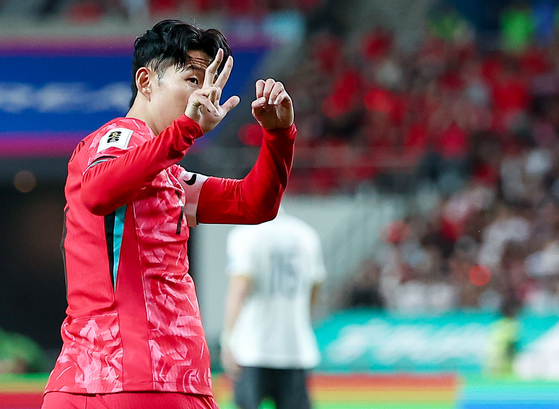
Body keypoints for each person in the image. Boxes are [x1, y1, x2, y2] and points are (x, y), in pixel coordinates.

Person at [42, 19, 296, 409]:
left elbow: (252, 203)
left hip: (109, 381)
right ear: (146, 81)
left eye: (209, 81)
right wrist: (186, 129)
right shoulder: (122, 137)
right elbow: (97, 191)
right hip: (138, 381)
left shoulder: (166, 172)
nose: (205, 92)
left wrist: (278, 137)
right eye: (193, 79)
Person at [220, 208, 326, 409]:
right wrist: (302, 320)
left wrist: (227, 340)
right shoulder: (306, 234)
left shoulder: (245, 234)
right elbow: (315, 287)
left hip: (253, 347)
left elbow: (238, 288)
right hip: (296, 348)